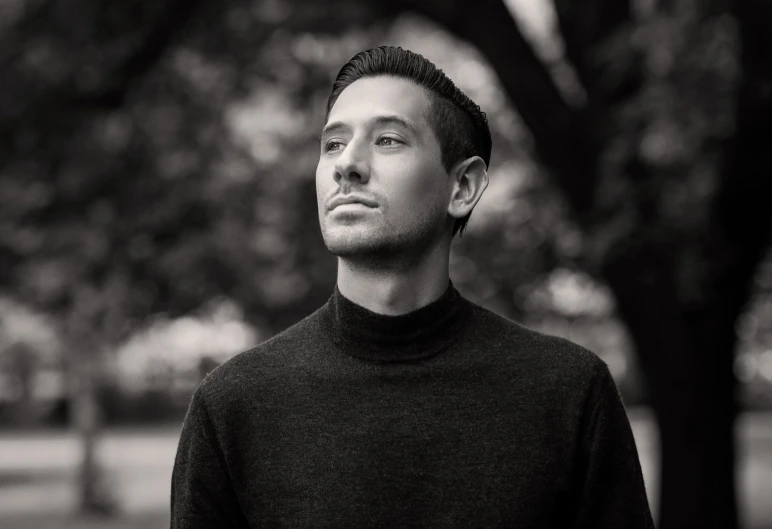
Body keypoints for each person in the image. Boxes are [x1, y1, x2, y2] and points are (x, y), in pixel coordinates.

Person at [170, 45, 655, 528]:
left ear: (462, 187)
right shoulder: (233, 405)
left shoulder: (568, 393)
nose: (347, 165)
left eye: (387, 140)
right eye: (333, 144)